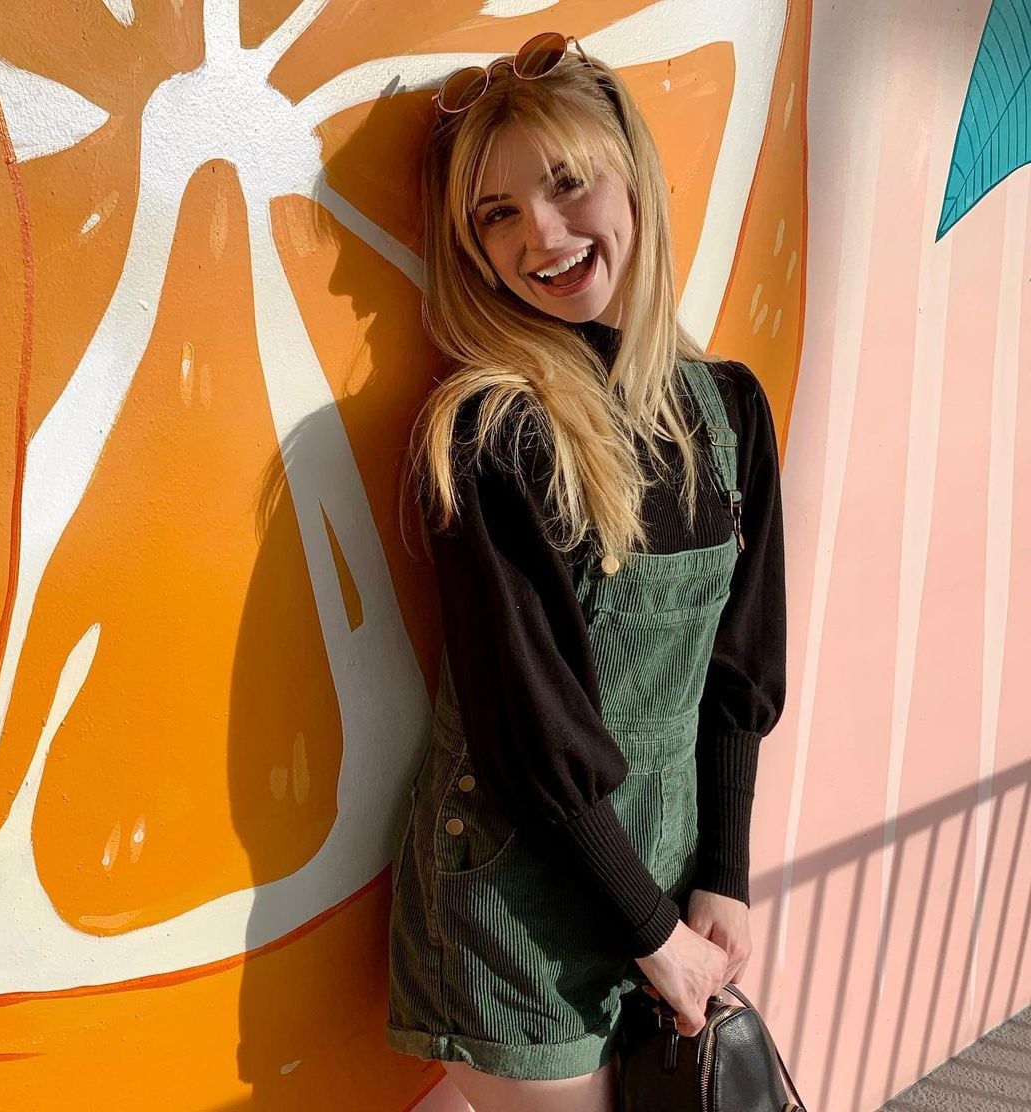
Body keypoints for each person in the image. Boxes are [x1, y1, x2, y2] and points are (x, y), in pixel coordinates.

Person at [385, 32, 786, 1112]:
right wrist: (650, 931)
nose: (543, 237)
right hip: (518, 900)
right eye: (497, 215)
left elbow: (741, 673)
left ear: (633, 177)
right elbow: (528, 725)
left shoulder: (730, 412)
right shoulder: (490, 432)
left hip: (667, 873)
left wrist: (725, 872)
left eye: (567, 183)